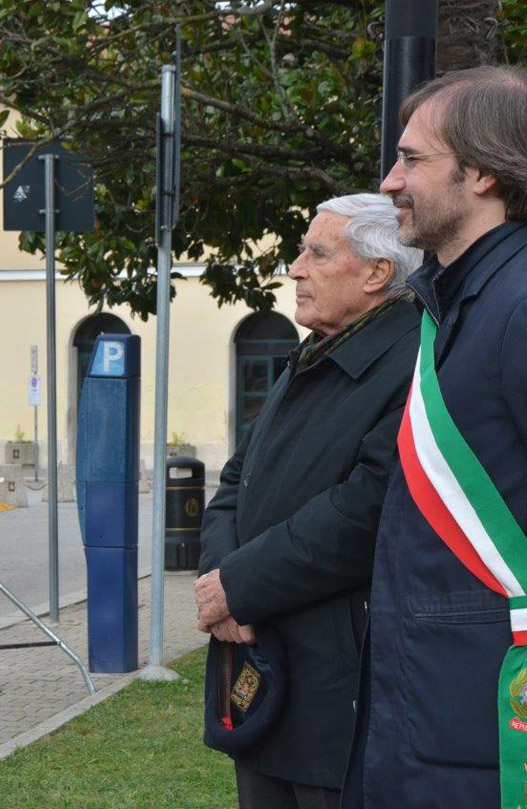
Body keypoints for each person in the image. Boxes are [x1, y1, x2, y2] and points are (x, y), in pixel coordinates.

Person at [194, 193, 423, 808]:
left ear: (377, 273)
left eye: (317, 254)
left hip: (339, 694)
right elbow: (236, 481)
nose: (295, 268)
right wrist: (221, 583)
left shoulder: (413, 362)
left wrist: (240, 585)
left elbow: (366, 511)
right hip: (263, 672)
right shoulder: (314, 353)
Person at [346, 66, 527, 808]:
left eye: (411, 160)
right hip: (439, 719)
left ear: (481, 172)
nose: (390, 182)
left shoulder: (516, 304)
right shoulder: (457, 302)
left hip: (490, 735)